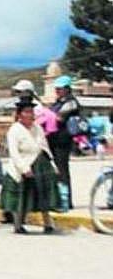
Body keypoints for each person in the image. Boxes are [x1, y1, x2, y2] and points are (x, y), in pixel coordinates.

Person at [0, 99, 58, 234]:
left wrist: (52, 163)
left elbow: (44, 146)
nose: (30, 115)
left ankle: (48, 223)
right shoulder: (14, 130)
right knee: (20, 197)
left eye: (31, 112)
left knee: (43, 195)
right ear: (20, 114)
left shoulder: (37, 128)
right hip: (23, 164)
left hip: (40, 163)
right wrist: (23, 168)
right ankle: (18, 224)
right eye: (26, 112)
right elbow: (14, 152)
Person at [47, 75, 80, 210]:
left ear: (67, 89)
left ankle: (66, 201)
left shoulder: (71, 102)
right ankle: (56, 198)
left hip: (63, 141)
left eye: (59, 88)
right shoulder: (58, 102)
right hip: (54, 140)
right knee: (55, 171)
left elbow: (59, 118)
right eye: (56, 88)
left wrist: (48, 115)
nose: (57, 91)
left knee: (62, 171)